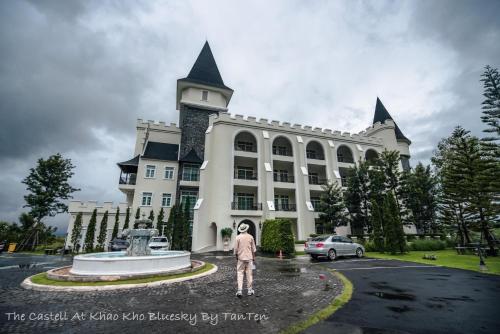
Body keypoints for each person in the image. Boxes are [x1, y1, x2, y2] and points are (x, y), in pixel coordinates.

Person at [233, 223, 256, 297]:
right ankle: (250, 290)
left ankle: (239, 291)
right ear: (247, 229)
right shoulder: (251, 237)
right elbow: (253, 249)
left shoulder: (238, 237)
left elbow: (235, 249)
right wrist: (253, 257)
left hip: (241, 258)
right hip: (249, 258)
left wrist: (236, 256)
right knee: (249, 274)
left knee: (240, 273)